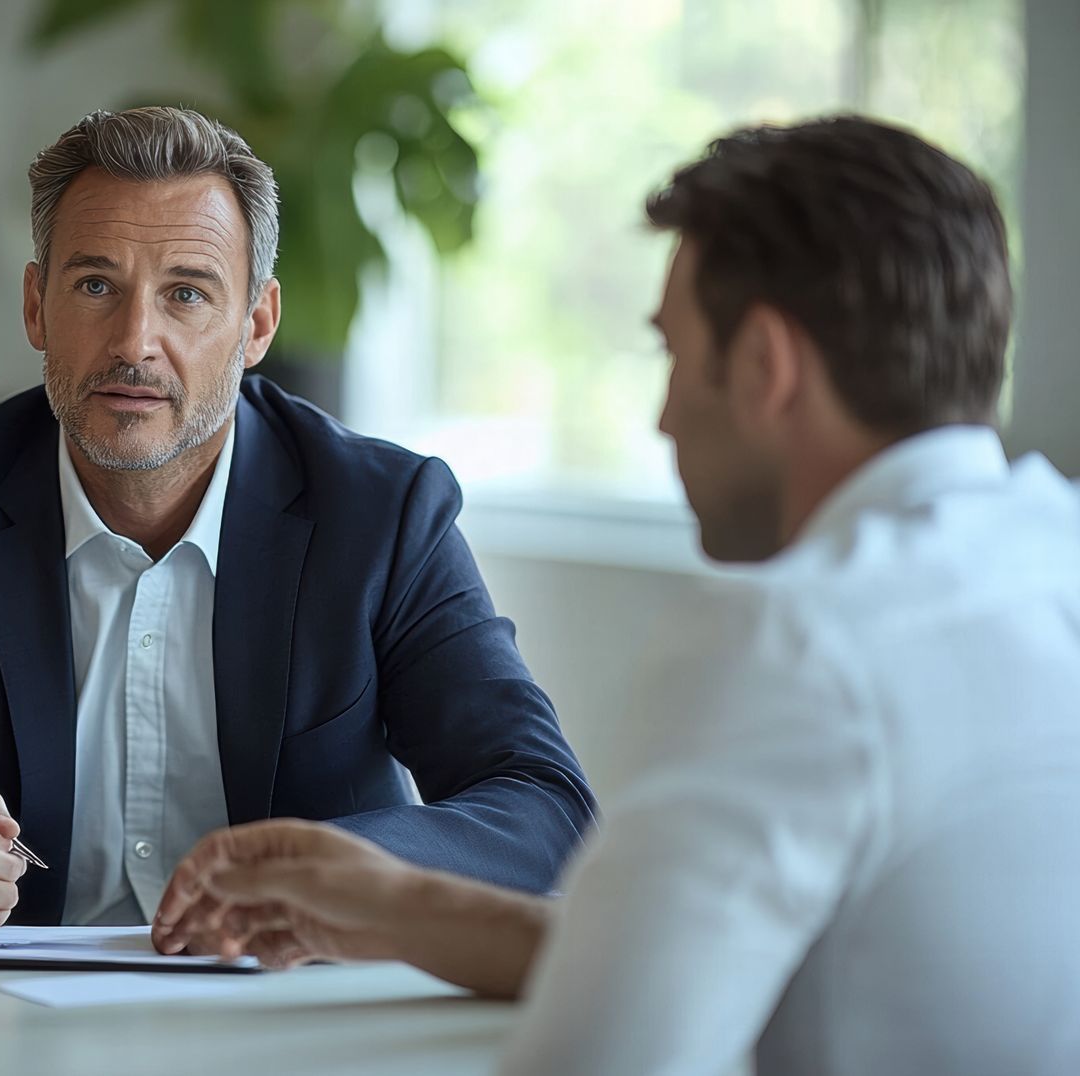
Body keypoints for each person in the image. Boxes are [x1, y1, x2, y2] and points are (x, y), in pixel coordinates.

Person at [153, 115, 1080, 1075]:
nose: (665, 416)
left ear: (765, 365)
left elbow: (601, 1056)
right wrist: (404, 905)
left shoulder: (792, 641)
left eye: (674, 355)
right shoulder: (1055, 554)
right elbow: (691, 958)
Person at [0, 106, 595, 943]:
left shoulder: (380, 516)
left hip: (291, 1010)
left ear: (257, 325)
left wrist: (352, 869)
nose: (135, 340)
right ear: (36, 308)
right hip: (11, 1027)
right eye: (96, 284)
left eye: (189, 295)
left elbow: (544, 805)